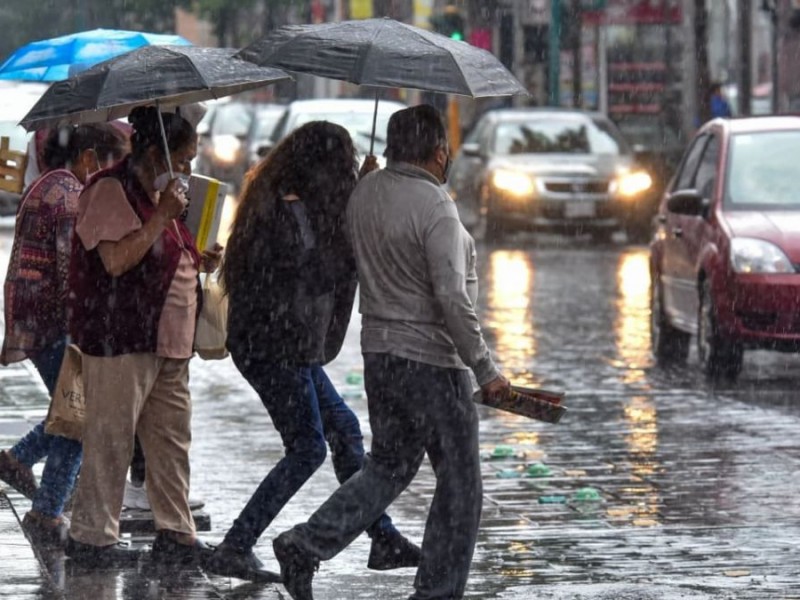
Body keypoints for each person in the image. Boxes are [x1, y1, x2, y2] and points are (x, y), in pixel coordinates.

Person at [271, 105, 512, 600]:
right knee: (461, 485)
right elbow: (451, 296)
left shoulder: (365, 194)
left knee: (388, 467)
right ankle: (438, 591)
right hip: (432, 363)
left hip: (381, 358)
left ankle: (307, 543)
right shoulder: (436, 206)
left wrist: (365, 184)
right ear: (439, 150)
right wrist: (485, 368)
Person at [206, 121, 420, 583]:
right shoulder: (283, 209)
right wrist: (352, 220)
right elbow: (313, 273)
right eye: (341, 162)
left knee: (343, 429)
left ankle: (381, 538)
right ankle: (237, 545)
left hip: (286, 345)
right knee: (307, 449)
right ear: (320, 165)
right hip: (272, 346)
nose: (345, 170)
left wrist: (359, 195)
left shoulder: (295, 201)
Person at [64, 104, 222, 567]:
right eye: (184, 158)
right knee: (111, 440)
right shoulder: (111, 190)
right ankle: (92, 537)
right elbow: (116, 261)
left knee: (171, 443)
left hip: (169, 343)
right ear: (156, 154)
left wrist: (197, 258)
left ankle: (176, 532)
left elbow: (165, 251)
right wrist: (162, 217)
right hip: (121, 337)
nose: (189, 168)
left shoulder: (164, 196)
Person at [0, 123, 130, 546]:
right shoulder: (69, 196)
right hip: (53, 323)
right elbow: (67, 271)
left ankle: (20, 462)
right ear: (90, 158)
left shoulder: (53, 184)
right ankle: (46, 510)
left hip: (38, 319)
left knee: (71, 409)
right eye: (111, 165)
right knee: (81, 416)